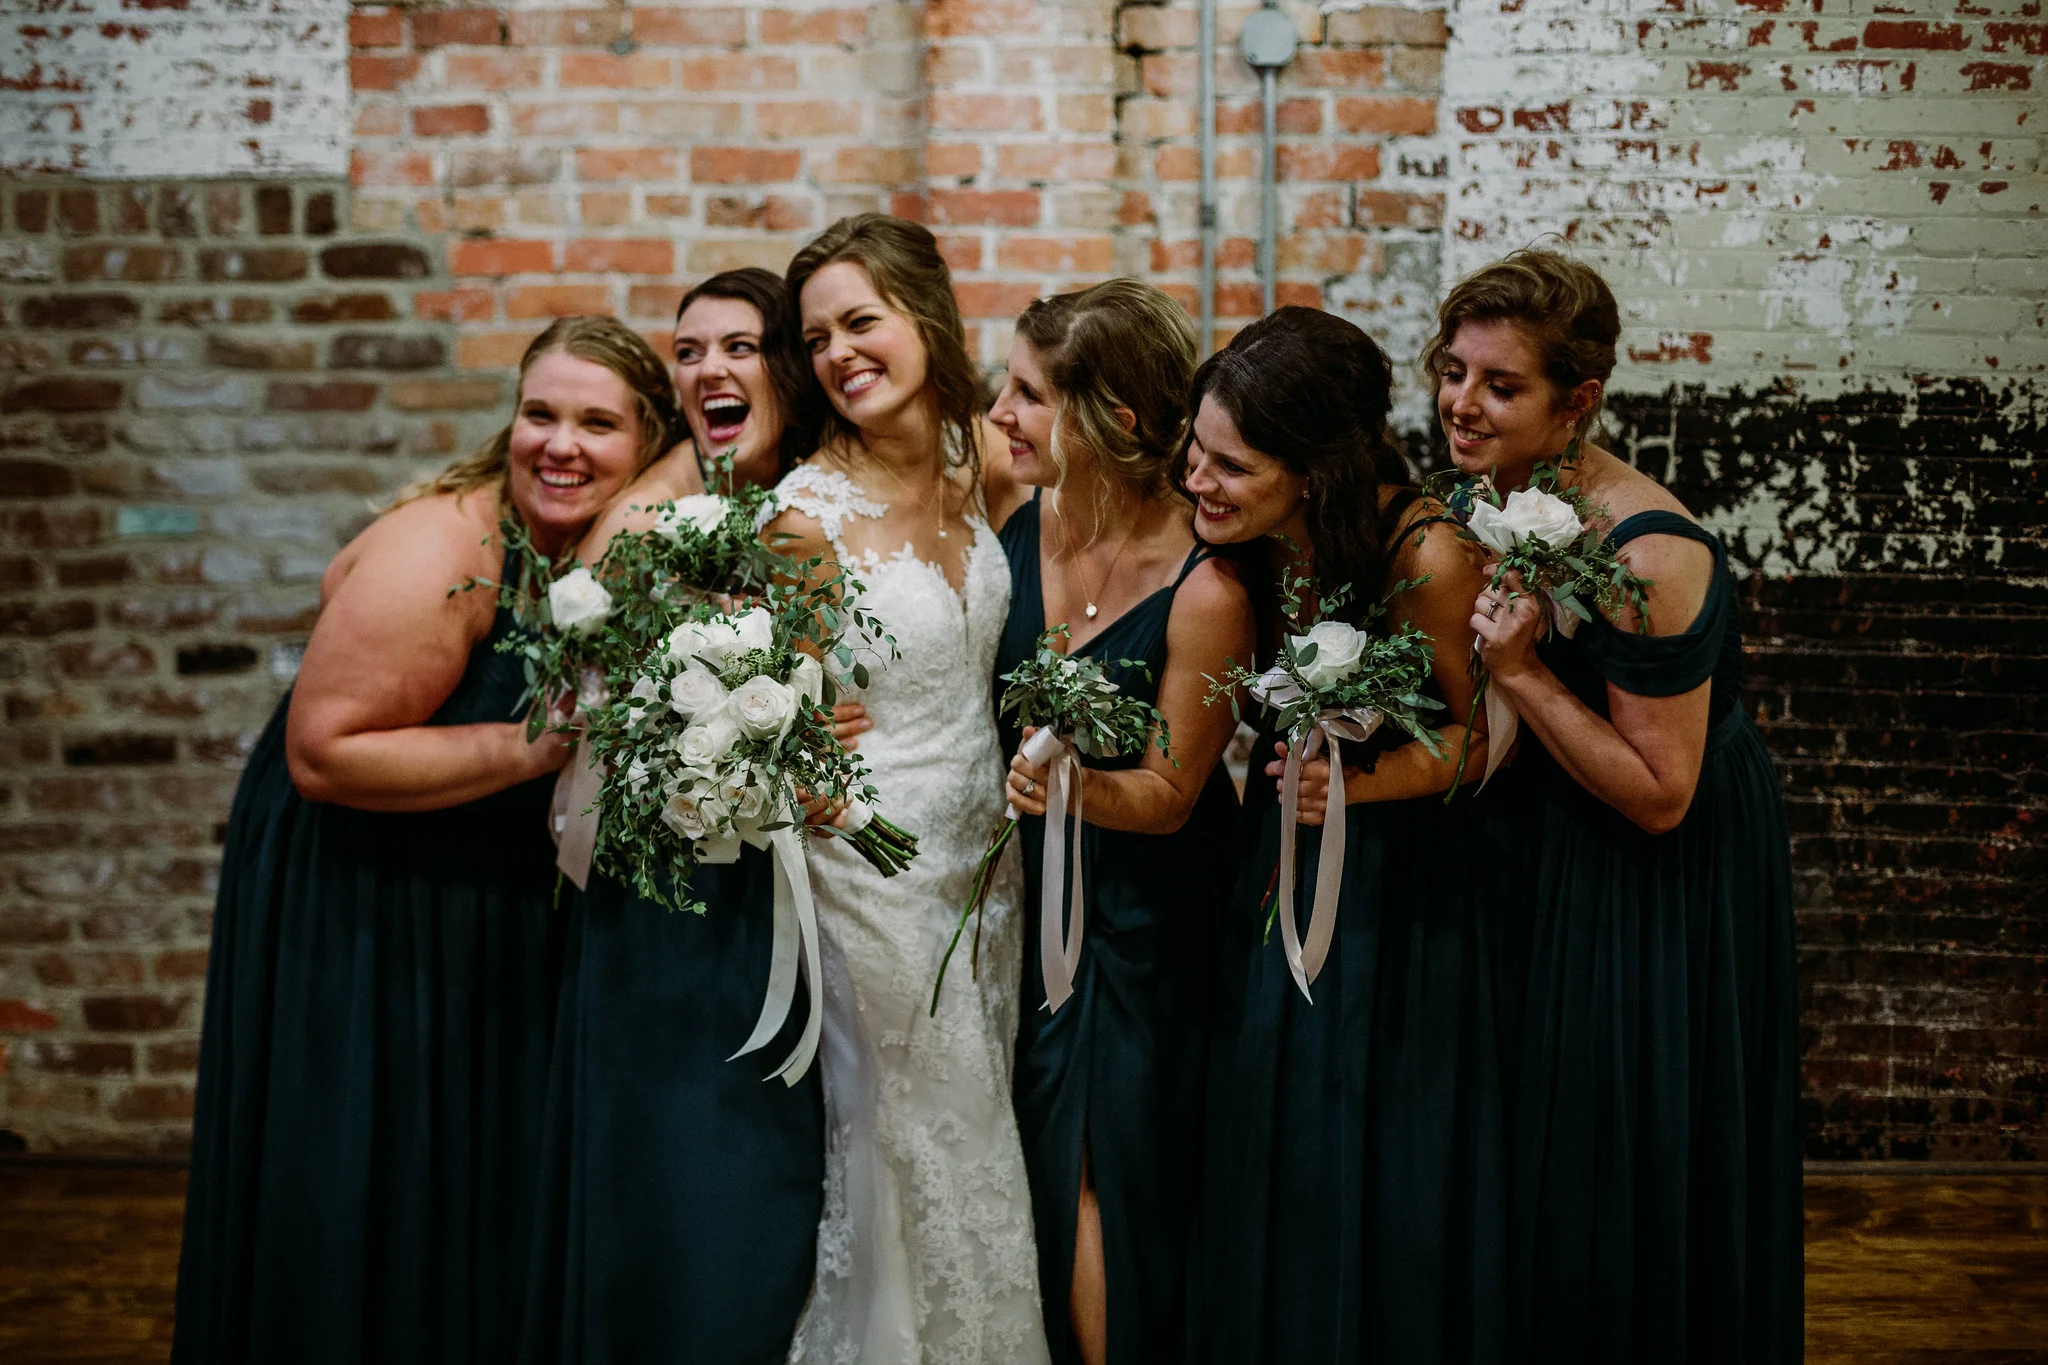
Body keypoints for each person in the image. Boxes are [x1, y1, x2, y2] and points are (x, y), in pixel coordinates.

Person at [173, 316, 670, 1365]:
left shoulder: (589, 544)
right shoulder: (446, 549)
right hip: (361, 878)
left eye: (597, 423)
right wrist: (535, 746)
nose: (560, 444)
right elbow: (324, 753)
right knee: (362, 1153)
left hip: (463, 873)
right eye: (539, 415)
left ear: (647, 446)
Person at [1441, 250, 1801, 1363]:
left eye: (1500, 385)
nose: (1461, 402)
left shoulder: (1648, 552)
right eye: (1453, 371)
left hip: (1653, 870)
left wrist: (1520, 673)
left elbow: (1660, 794)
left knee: (1617, 1146)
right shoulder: (1491, 495)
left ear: (1578, 400)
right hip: (1549, 836)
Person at [1186, 307, 1525, 1363]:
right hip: (1280, 851)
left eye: (1230, 466)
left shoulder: (1422, 550)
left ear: (1313, 472)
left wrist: (1356, 787)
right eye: (1195, 451)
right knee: (1273, 1129)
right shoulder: (1244, 547)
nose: (1199, 481)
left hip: (1404, 893)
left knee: (1373, 1144)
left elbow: (1485, 736)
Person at [518, 278, 834, 1364]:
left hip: (812, 888)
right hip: (677, 890)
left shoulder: (823, 502)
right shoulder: (664, 509)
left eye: (739, 345)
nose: (708, 369)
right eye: (688, 351)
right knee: (681, 1168)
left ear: (787, 365)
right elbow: (587, 666)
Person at [769, 213, 1051, 1364]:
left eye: (859, 322)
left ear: (924, 316)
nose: (838, 353)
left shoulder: (975, 457)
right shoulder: (804, 517)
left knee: (984, 1118)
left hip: (989, 855)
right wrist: (805, 762)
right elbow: (777, 720)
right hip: (871, 868)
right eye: (817, 338)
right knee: (927, 1136)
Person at [987, 280, 1252, 1365]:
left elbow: (1173, 793)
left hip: (1144, 921)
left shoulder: (1208, 587)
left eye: (1026, 394)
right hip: (1021, 902)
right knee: (1031, 1152)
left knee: (1102, 1164)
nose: (1000, 413)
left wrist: (1068, 790)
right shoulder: (1020, 515)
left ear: (1114, 420)